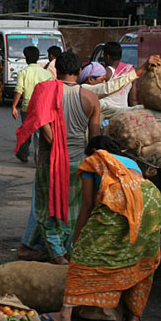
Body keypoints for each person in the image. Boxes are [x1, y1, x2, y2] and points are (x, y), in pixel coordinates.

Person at [39, 136, 161, 321]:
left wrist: (77, 240)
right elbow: (137, 190)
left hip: (121, 199)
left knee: (84, 256)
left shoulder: (93, 161)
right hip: (153, 201)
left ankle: (64, 316)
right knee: (140, 255)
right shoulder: (131, 162)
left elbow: (88, 205)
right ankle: (134, 316)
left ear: (94, 151)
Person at [14, 51, 102, 264]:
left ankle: (56, 253)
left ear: (57, 71)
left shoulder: (45, 90)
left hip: (50, 160)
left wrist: (57, 146)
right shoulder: (91, 98)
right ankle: (64, 249)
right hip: (79, 160)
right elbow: (95, 136)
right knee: (73, 207)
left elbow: (41, 123)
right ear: (79, 72)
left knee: (47, 207)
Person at [12, 46, 54, 163]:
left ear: (26, 59)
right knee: (40, 133)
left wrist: (14, 106)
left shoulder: (23, 73)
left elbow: (19, 90)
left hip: (28, 107)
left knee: (27, 130)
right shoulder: (45, 73)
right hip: (44, 108)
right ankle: (38, 158)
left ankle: (24, 153)